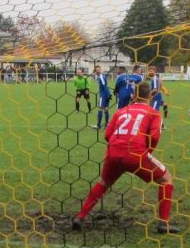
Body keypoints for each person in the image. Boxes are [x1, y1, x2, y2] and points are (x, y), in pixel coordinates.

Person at [72, 82, 178, 234]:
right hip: (136, 153)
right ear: (150, 96)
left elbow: (107, 135)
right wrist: (144, 152)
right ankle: (163, 223)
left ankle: (80, 217)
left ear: (133, 95)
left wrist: (119, 146)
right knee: (166, 178)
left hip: (113, 153)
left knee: (103, 183)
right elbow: (154, 137)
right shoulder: (154, 113)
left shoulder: (121, 111)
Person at [92, 65, 111, 130]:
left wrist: (107, 94)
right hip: (107, 94)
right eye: (96, 70)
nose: (97, 71)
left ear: (100, 69)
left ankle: (98, 125)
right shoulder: (101, 76)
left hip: (103, 95)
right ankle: (106, 125)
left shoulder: (101, 76)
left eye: (98, 69)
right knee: (106, 109)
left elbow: (104, 85)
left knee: (100, 109)